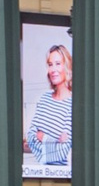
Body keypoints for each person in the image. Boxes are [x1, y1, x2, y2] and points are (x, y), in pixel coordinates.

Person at [26, 43, 74, 171]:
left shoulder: (73, 103)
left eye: (58, 63)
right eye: (50, 64)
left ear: (67, 66)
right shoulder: (45, 98)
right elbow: (31, 137)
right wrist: (55, 140)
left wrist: (42, 136)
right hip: (41, 172)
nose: (53, 70)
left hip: (63, 176)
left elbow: (64, 149)